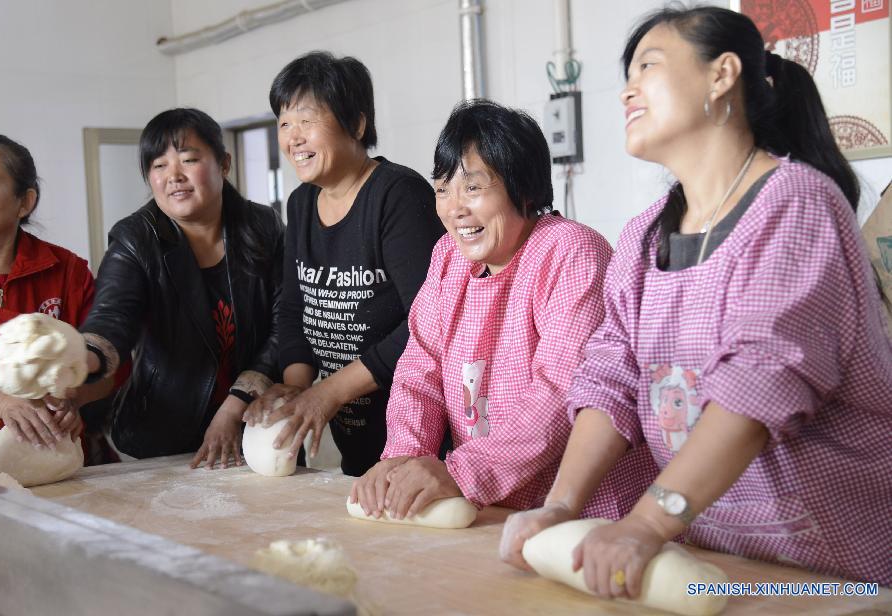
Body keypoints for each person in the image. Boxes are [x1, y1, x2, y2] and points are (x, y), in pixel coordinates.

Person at [499, 6, 892, 594]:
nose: (627, 90)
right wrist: (560, 507)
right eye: (626, 75)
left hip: (837, 564)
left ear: (722, 75)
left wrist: (645, 522)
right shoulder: (641, 238)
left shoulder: (795, 205)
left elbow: (758, 381)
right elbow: (611, 377)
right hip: (718, 555)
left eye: (647, 66)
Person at [350, 100, 659, 519]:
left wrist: (462, 473)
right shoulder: (447, 258)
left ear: (523, 188)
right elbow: (420, 370)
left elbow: (559, 392)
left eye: (473, 188)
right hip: (492, 507)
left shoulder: (570, 252)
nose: (455, 208)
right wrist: (402, 460)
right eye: (443, 189)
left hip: (588, 512)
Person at [242, 52, 444, 476]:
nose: (293, 137)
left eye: (307, 121)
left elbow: (429, 322)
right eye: (284, 123)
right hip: (356, 437)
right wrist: (294, 392)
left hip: (417, 433)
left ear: (356, 124)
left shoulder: (397, 196)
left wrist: (330, 391)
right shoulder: (300, 205)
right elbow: (295, 310)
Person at [79, 109, 284, 468]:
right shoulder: (135, 238)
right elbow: (112, 317)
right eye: (158, 166)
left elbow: (285, 324)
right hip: (160, 435)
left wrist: (236, 404)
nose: (174, 176)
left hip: (252, 424)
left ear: (224, 163)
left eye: (189, 160)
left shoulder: (262, 226)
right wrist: (84, 357)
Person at [0, 135, 115, 461]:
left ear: (25, 202)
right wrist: (3, 403)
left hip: (56, 455)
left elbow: (111, 367)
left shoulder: (68, 272)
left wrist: (75, 400)